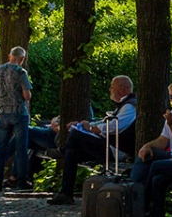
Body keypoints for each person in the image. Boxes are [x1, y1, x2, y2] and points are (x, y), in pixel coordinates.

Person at [45, 76, 139, 205]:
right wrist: (85, 125)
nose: (110, 89)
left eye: (112, 86)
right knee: (71, 153)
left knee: (75, 135)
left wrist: (91, 128)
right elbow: (107, 123)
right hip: (110, 145)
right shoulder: (124, 105)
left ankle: (61, 150)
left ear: (121, 89)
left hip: (118, 150)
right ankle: (66, 193)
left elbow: (114, 126)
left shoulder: (130, 106)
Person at [0, 46, 33, 191]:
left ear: (9, 56)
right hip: (19, 113)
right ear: (22, 58)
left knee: (1, 148)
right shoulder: (21, 72)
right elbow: (26, 95)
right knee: (21, 148)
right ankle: (21, 181)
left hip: (3, 113)